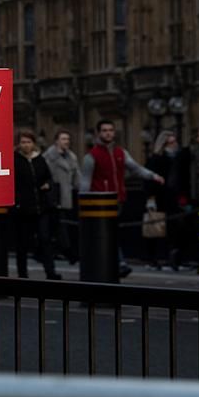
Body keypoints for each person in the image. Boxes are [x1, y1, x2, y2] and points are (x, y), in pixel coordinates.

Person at [79, 119, 164, 278]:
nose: (108, 133)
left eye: (110, 130)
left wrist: (153, 176)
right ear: (99, 133)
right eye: (104, 130)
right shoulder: (91, 156)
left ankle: (114, 263)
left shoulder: (120, 153)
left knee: (111, 234)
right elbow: (85, 183)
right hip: (99, 204)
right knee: (108, 234)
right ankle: (119, 263)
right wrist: (84, 206)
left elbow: (136, 168)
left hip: (117, 201)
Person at [10, 132, 59, 279]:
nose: (26, 145)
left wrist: (47, 185)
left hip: (41, 207)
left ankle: (50, 272)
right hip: (23, 208)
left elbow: (49, 178)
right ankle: (22, 274)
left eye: (29, 142)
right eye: (23, 142)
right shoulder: (15, 160)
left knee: (45, 239)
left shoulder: (40, 159)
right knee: (23, 244)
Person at [143, 131, 184, 269]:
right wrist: (151, 199)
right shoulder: (156, 159)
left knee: (174, 229)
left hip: (173, 199)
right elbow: (149, 181)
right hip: (159, 198)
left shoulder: (178, 159)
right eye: (171, 143)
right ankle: (153, 258)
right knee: (155, 229)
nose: (174, 145)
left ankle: (172, 259)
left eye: (175, 142)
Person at [41, 130, 81, 261]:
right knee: (58, 226)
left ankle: (60, 250)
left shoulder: (72, 156)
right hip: (53, 197)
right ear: (57, 141)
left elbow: (76, 177)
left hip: (67, 195)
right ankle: (66, 251)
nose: (66, 142)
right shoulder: (49, 156)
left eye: (68, 139)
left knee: (63, 225)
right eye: (63, 139)